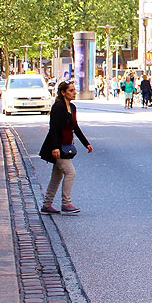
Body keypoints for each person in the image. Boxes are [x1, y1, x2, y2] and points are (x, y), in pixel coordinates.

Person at [38, 81, 92, 215]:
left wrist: (86, 143)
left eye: (74, 90)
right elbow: (53, 128)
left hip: (66, 147)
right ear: (63, 92)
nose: (74, 93)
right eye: (71, 90)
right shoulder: (58, 107)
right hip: (57, 147)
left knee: (57, 177)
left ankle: (47, 205)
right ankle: (66, 204)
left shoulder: (72, 107)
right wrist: (55, 148)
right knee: (70, 172)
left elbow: (75, 127)